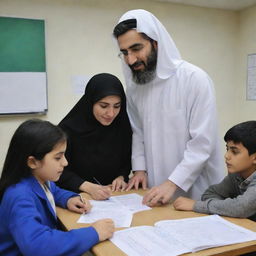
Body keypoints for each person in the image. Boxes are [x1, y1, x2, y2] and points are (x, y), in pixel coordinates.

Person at [112, 9, 224, 207]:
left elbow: (202, 143)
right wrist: (139, 169)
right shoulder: (136, 89)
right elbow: (138, 132)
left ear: (156, 43)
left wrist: (172, 183)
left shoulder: (194, 79)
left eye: (136, 48)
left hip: (197, 189)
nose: (131, 60)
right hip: (156, 186)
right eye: (125, 53)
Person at [0, 119, 114, 256]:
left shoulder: (38, 179)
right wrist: (94, 233)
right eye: (58, 158)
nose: (65, 162)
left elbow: (53, 191)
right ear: (32, 162)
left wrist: (68, 199)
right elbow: (37, 245)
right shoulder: (19, 196)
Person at [56, 73, 132, 200]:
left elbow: (126, 161)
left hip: (114, 197)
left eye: (117, 106)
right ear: (90, 102)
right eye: (104, 106)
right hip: (76, 198)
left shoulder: (121, 126)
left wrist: (121, 177)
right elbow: (57, 170)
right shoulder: (67, 130)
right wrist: (88, 187)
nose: (111, 113)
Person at [173, 121, 256, 222]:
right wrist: (227, 208)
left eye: (234, 151)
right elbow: (210, 193)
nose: (226, 156)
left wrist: (196, 205)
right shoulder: (237, 174)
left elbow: (241, 207)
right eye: (227, 149)